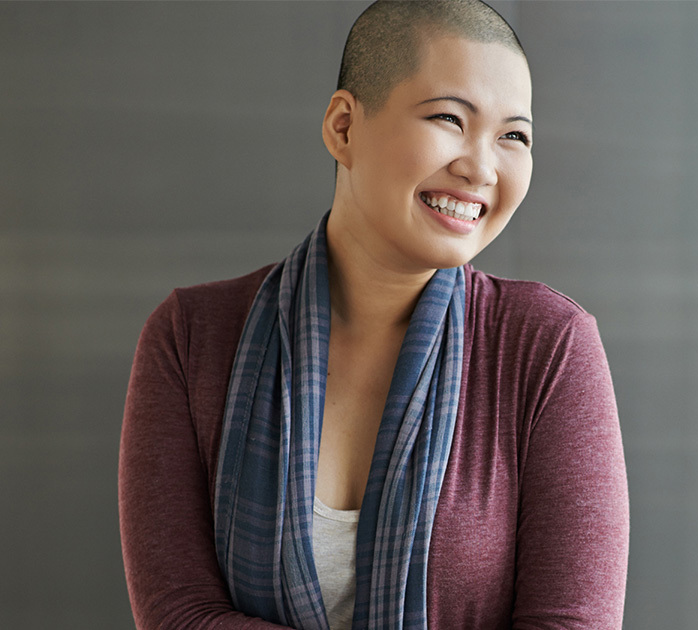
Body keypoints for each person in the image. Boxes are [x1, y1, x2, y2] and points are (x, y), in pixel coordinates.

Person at [117, 1, 629, 628]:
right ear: (342, 127)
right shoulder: (190, 338)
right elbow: (179, 615)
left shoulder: (548, 346)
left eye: (513, 135)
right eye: (449, 117)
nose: (482, 166)